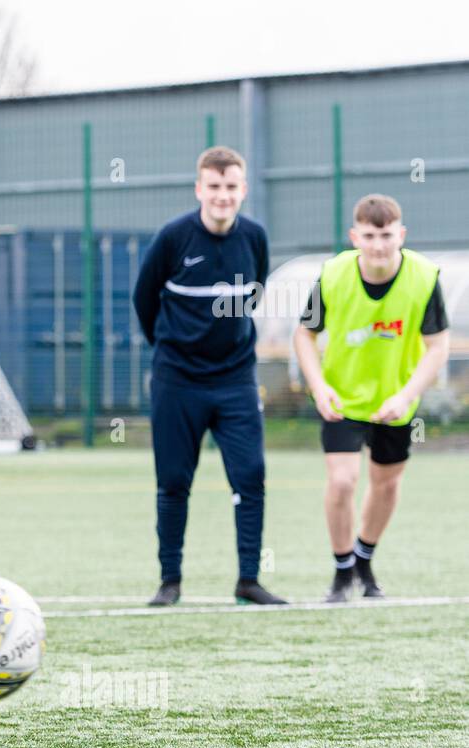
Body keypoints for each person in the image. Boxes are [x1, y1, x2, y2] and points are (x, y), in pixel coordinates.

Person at [132, 146, 286, 607]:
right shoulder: (172, 238)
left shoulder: (255, 237)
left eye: (231, 187)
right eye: (214, 187)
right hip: (177, 379)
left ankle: (249, 581)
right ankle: (170, 581)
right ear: (200, 189)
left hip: (235, 378)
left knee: (251, 474)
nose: (223, 196)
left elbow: (254, 291)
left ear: (243, 190)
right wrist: (169, 349)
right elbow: (144, 300)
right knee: (175, 479)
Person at [293, 194, 450, 602]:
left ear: (401, 234)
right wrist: (318, 386)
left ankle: (364, 558)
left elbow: (437, 346)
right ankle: (343, 570)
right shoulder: (331, 275)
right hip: (342, 398)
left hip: (394, 403)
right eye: (369, 235)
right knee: (343, 481)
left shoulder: (424, 277)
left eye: (386, 234)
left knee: (385, 485)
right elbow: (304, 335)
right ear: (354, 237)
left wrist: (406, 395)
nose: (378, 244)